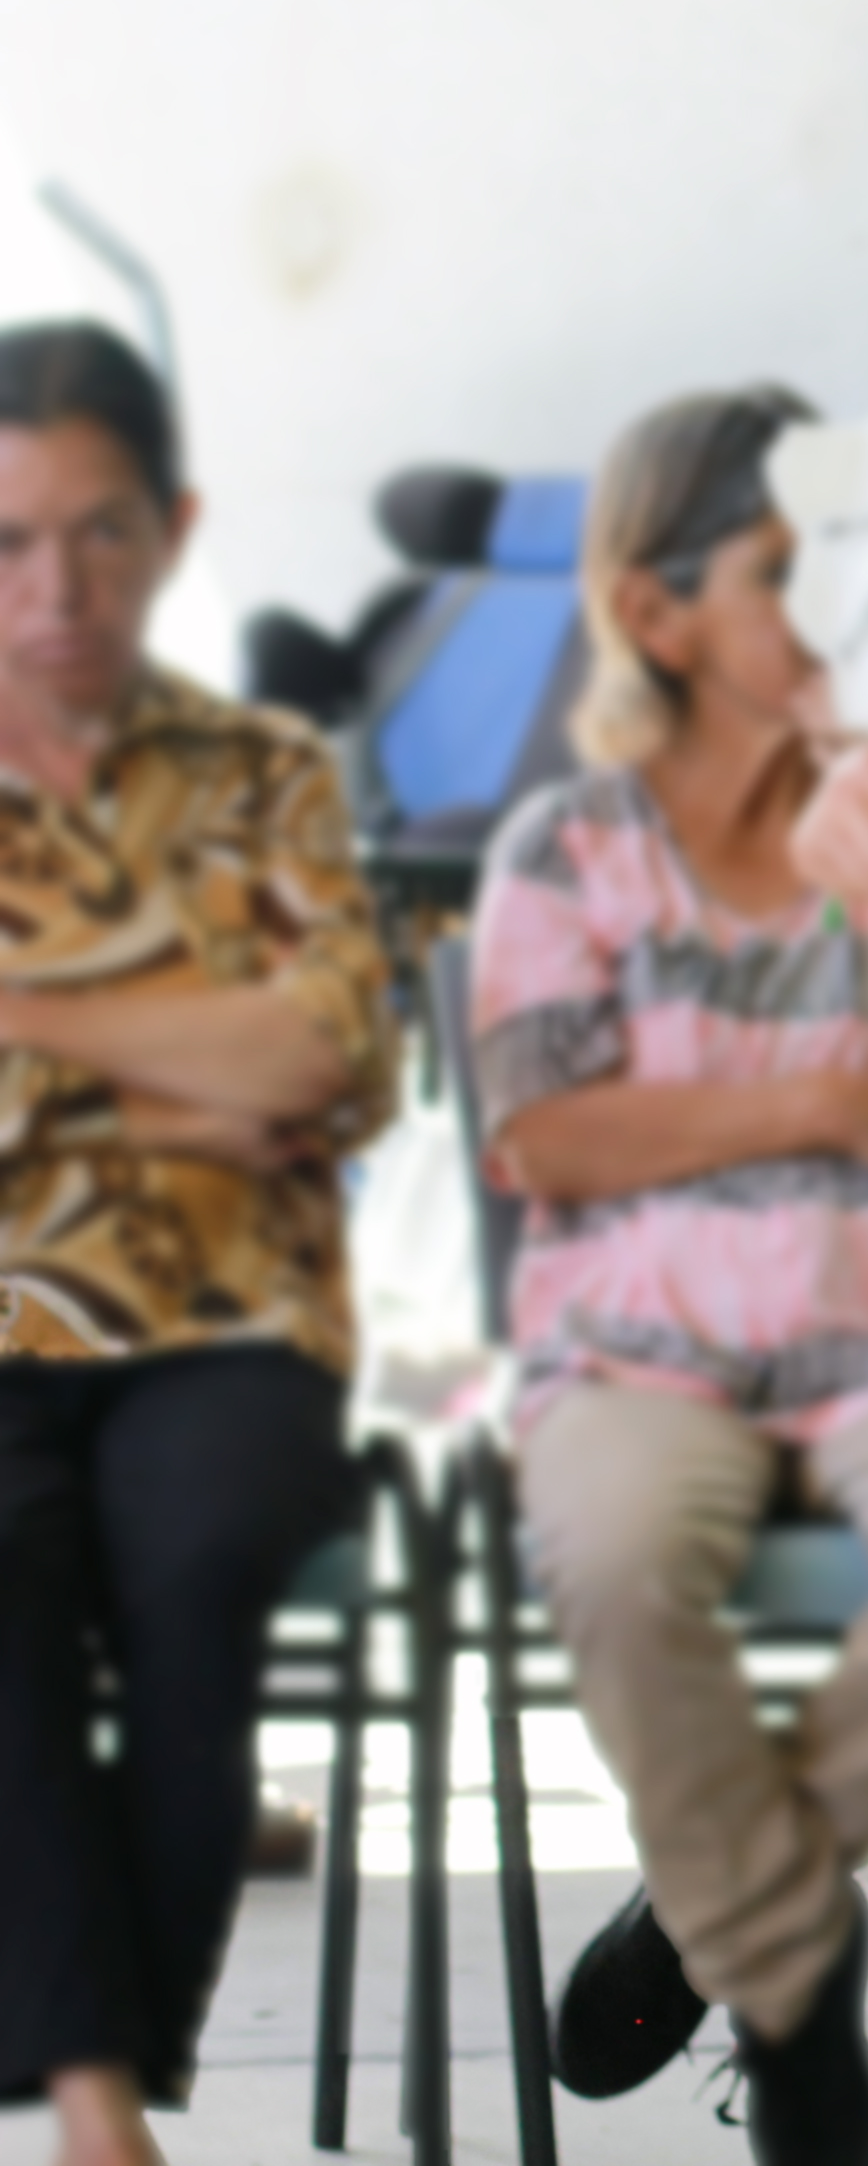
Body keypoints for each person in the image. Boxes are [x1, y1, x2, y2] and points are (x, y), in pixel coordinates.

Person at [468, 385, 868, 2165]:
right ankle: (795, 1982)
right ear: (657, 614)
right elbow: (542, 1135)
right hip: (638, 1345)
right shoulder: (569, 848)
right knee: (616, 1554)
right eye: (792, 573)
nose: (841, 608)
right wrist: (835, 1096)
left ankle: (720, 1923)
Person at [0, 323, 390, 2166]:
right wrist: (187, 1060)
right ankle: (100, 2111)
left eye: (95, 533)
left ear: (175, 529)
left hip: (233, 1315)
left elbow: (328, 1054)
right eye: (5, 543)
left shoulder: (266, 772)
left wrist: (36, 1022)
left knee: (199, 1558)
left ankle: (92, 2101)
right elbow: (251, 1064)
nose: (54, 588)